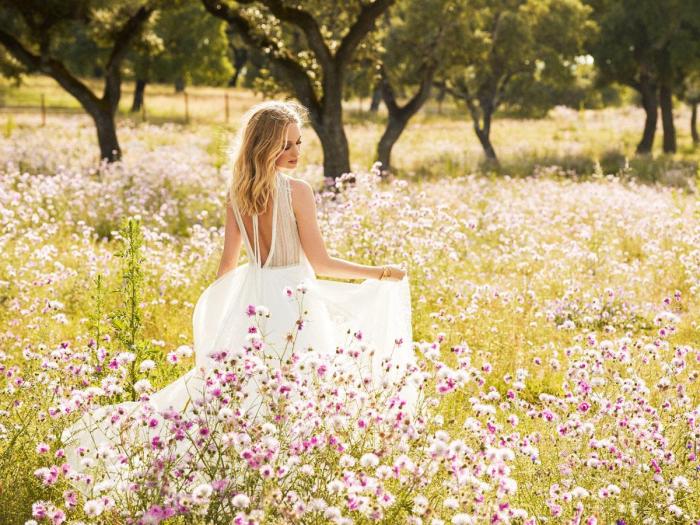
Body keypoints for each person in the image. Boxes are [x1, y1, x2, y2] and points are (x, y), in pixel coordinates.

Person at [61, 100, 418, 484]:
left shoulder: (238, 193)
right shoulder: (297, 192)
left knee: (250, 390)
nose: (296, 153)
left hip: (252, 303)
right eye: (286, 145)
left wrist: (219, 324)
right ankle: (287, 476)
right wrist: (380, 273)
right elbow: (322, 264)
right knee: (300, 389)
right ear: (264, 146)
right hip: (295, 304)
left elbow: (227, 268)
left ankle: (253, 471)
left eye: (298, 143)